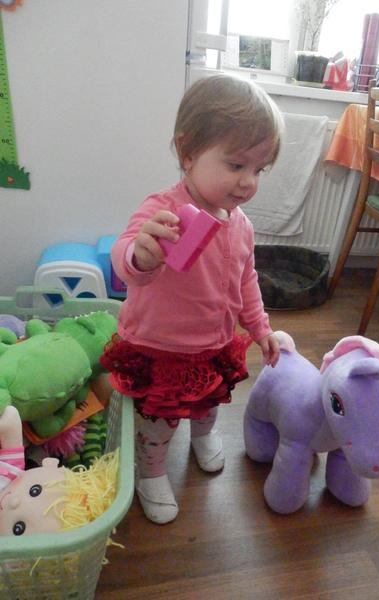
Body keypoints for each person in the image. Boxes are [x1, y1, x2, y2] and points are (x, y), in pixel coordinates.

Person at [100, 74, 284, 524]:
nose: (248, 182)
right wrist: (142, 255)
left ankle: (202, 436)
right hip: (161, 346)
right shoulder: (163, 210)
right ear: (187, 152)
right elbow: (124, 258)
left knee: (208, 402)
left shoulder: (241, 224)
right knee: (159, 422)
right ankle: (151, 472)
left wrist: (260, 328)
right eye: (236, 165)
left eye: (258, 170)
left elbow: (246, 280)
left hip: (213, 343)